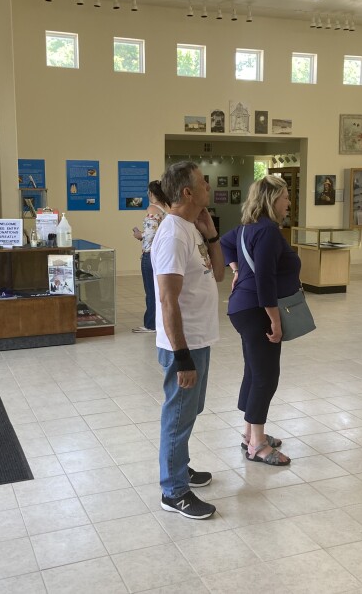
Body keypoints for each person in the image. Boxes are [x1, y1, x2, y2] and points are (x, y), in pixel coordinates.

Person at [152, 161, 225, 519]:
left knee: (190, 410)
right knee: (178, 414)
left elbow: (220, 273)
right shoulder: (173, 234)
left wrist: (211, 234)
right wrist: (182, 357)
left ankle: (179, 466)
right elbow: (167, 299)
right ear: (186, 192)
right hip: (184, 345)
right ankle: (173, 490)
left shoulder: (191, 229)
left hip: (199, 338)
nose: (208, 187)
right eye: (203, 183)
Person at [221, 175, 301, 466]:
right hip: (256, 309)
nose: (288, 202)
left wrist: (236, 270)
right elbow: (265, 280)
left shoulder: (248, 228)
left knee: (255, 372)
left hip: (243, 308)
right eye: (285, 197)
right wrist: (275, 321)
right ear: (272, 200)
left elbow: (224, 243)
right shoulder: (267, 231)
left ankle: (249, 433)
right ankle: (257, 444)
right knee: (266, 376)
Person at [131, 180, 169, 333]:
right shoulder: (167, 209)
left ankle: (150, 324)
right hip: (162, 254)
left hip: (150, 254)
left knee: (151, 291)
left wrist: (138, 234)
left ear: (151, 193)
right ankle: (161, 321)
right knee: (160, 289)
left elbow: (150, 235)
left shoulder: (152, 208)